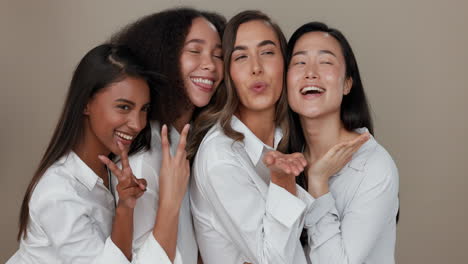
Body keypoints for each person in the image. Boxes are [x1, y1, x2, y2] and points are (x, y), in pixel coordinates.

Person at [188, 11, 366, 264]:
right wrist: (283, 184)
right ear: (228, 74)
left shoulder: (291, 135)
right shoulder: (221, 157)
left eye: (268, 52)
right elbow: (274, 259)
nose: (256, 68)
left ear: (287, 63)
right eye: (240, 57)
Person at [7, 44, 176, 263]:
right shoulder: (58, 193)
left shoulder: (113, 168)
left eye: (143, 109)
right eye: (124, 107)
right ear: (86, 104)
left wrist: (126, 205)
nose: (137, 124)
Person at [110, 8, 226, 263]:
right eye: (195, 51)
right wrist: (170, 201)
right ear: (165, 58)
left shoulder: (195, 140)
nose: (210, 65)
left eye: (218, 55)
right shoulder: (145, 157)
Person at [287, 22, 399, 264]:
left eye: (326, 62)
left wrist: (318, 183)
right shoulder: (283, 160)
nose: (311, 72)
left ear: (347, 83)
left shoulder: (373, 167)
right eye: (299, 62)